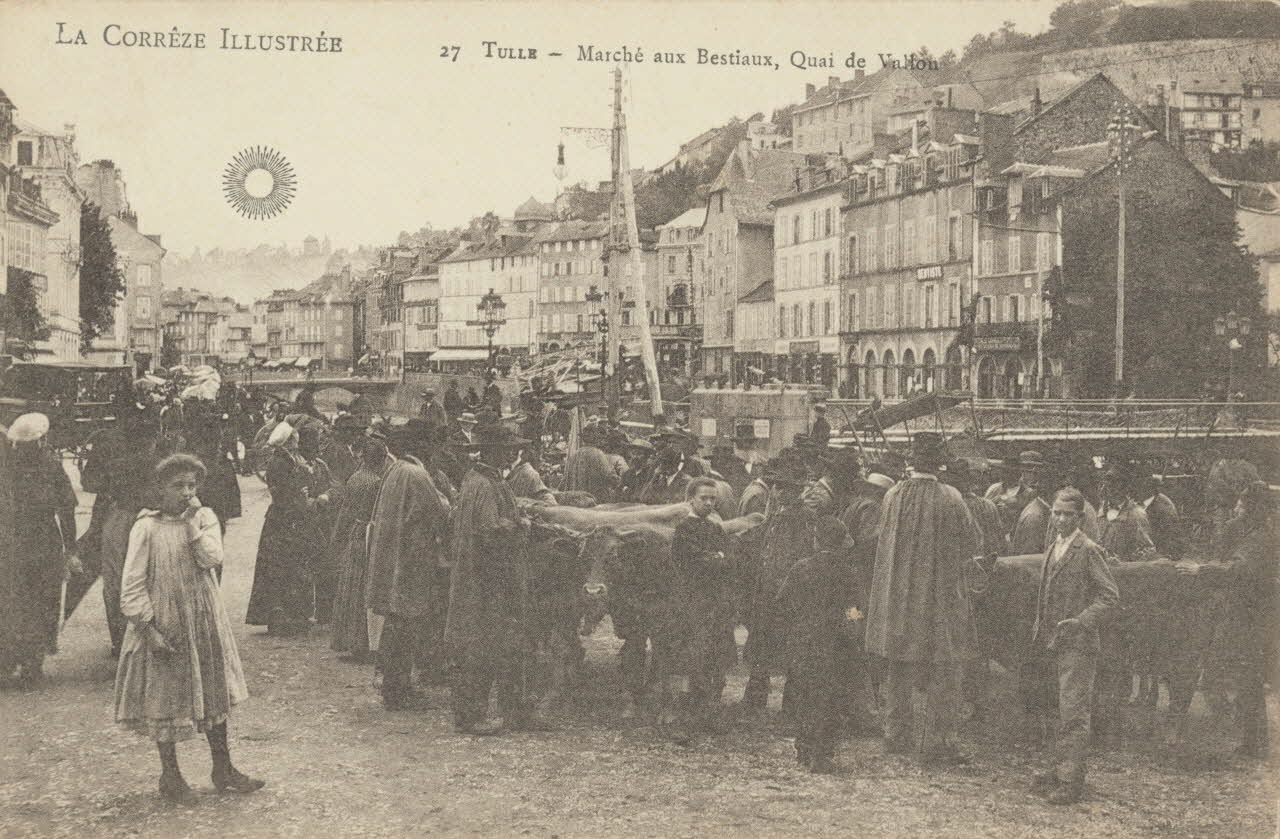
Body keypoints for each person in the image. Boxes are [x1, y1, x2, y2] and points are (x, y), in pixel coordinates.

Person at [113, 454, 264, 804]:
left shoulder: (204, 517)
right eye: (177, 485)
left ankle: (223, 768)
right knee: (164, 694)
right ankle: (170, 775)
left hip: (201, 617)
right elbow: (131, 585)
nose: (186, 492)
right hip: (165, 621)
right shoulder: (146, 527)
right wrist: (149, 630)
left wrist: (192, 525)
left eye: (192, 485)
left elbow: (212, 558)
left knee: (212, 688)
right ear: (160, 489)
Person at [864, 432, 977, 765]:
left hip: (897, 599)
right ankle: (939, 741)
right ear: (939, 464)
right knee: (944, 667)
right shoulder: (951, 497)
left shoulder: (893, 495)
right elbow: (971, 540)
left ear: (911, 462)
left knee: (897, 665)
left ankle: (895, 733)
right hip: (937, 599)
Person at [445, 420, 541, 735]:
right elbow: (489, 532)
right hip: (488, 580)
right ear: (492, 451)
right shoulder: (485, 484)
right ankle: (472, 716)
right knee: (482, 646)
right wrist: (520, 525)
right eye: (507, 449)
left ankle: (511, 711)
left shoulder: (480, 479)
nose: (513, 454)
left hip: (484, 575)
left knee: (499, 644)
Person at [1027, 487, 1119, 805]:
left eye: (1068, 514)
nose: (1061, 519)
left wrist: (1081, 621)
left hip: (1078, 644)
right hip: (1052, 641)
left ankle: (1071, 781)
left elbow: (1109, 596)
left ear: (1080, 517)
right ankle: (1057, 770)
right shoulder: (1054, 546)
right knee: (1056, 709)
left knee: (1074, 713)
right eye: (1056, 513)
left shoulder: (1088, 549)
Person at [1178, 481, 1277, 758]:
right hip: (1245, 615)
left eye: (1241, 505)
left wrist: (1201, 570)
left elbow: (1238, 569)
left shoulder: (1260, 538)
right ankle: (1251, 739)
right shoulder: (1251, 533)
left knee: (1247, 676)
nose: (1236, 509)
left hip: (1253, 618)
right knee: (1244, 677)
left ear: (1253, 509)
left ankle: (1253, 740)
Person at [365, 422, 452, 710]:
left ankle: (393, 684)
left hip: (395, 558)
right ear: (424, 446)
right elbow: (438, 514)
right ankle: (398, 689)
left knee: (396, 622)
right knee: (406, 624)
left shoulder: (396, 469)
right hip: (411, 562)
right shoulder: (417, 475)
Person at [0, 413, 80, 687]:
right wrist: (70, 548)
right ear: (41, 440)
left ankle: (7, 661)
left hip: (10, 542)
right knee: (42, 600)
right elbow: (67, 509)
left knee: (12, 601)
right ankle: (32, 664)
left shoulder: (7, 466)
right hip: (44, 542)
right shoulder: (51, 465)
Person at [777, 518, 860, 773]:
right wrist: (853, 630)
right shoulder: (848, 572)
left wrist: (795, 625)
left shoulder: (800, 568)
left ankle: (804, 748)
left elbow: (782, 602)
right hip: (836, 644)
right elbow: (854, 609)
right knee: (831, 699)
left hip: (804, 640)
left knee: (805, 695)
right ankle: (823, 753)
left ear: (816, 541)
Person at [741, 460, 817, 719]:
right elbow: (760, 543)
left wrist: (788, 587)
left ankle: (792, 705)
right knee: (761, 645)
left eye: (789, 488)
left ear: (799, 491)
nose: (782, 492)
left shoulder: (805, 518)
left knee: (793, 649)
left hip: (788, 594)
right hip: (766, 592)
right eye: (779, 486)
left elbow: (801, 556)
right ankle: (755, 698)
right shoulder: (776, 514)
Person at [666, 477, 737, 744]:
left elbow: (730, 562)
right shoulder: (684, 530)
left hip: (715, 604)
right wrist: (716, 559)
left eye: (712, 499)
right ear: (691, 500)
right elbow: (692, 564)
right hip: (692, 604)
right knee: (691, 660)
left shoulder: (715, 528)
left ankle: (708, 713)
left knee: (715, 658)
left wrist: (717, 559)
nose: (708, 503)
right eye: (703, 498)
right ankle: (683, 721)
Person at [245, 421, 326, 636]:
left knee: (284, 569)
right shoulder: (281, 462)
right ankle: (284, 618)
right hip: (284, 521)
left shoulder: (285, 460)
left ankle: (288, 616)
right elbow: (285, 493)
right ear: (288, 442)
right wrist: (303, 496)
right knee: (284, 569)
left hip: (281, 521)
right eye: (294, 440)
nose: (297, 443)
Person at [330, 437, 391, 662]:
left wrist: (337, 538)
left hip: (355, 533)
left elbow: (345, 511)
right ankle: (364, 642)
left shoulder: (355, 478)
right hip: (369, 536)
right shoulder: (377, 482)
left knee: (351, 586)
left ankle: (349, 640)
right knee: (366, 588)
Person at [1098, 462, 1156, 563]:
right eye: (1107, 483)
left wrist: (1123, 563)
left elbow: (1148, 551)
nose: (1109, 487)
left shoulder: (1136, 515)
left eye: (1115, 483)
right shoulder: (1100, 512)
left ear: (1126, 488)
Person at [561, 423, 618, 503]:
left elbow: (565, 480)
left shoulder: (574, 455)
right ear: (596, 439)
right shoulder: (598, 454)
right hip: (594, 500)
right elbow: (610, 477)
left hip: (577, 500)